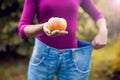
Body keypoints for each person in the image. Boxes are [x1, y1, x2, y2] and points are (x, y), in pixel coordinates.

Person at [18, 0, 108, 80]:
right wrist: (43, 26)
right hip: (43, 55)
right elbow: (22, 30)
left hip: (73, 59)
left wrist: (103, 30)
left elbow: (97, 15)